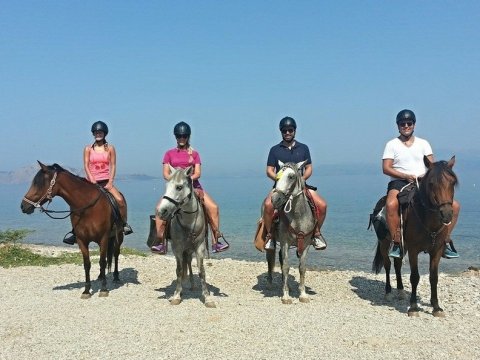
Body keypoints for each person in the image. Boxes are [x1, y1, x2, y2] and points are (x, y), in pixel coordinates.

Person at [382, 109, 459, 258]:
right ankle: (396, 242)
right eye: (402, 123)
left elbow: (432, 166)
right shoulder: (392, 144)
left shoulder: (424, 143)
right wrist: (405, 175)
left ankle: (444, 240)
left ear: (414, 125)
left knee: (454, 206)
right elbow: (386, 168)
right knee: (391, 204)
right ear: (398, 126)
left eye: (409, 123)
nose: (406, 126)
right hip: (399, 182)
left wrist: (426, 176)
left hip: (423, 182)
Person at [151, 121, 229, 254]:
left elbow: (198, 173)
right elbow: (165, 173)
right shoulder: (169, 154)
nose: (182, 139)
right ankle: (160, 241)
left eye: (184, 136)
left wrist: (187, 179)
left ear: (188, 137)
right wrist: (177, 181)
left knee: (214, 208)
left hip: (194, 186)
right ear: (175, 137)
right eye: (179, 136)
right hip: (175, 188)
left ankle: (216, 241)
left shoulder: (195, 154)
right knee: (159, 209)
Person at [262, 116, 327, 251]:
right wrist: (279, 180)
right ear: (281, 132)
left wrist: (302, 179)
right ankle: (270, 237)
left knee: (322, 205)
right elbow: (269, 170)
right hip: (280, 188)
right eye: (284, 131)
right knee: (268, 206)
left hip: (300, 187)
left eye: (290, 130)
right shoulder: (275, 150)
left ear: (294, 131)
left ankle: (316, 234)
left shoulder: (303, 148)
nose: (287, 133)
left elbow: (309, 167)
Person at [63, 121, 133, 244]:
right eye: (96, 132)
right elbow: (86, 165)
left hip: (106, 181)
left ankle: (123, 224)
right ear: (93, 134)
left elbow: (113, 165)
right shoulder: (88, 149)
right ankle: (74, 231)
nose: (98, 134)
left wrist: (110, 182)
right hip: (91, 182)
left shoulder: (110, 148)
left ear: (104, 133)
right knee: (75, 204)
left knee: (120, 201)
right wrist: (91, 179)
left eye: (100, 132)